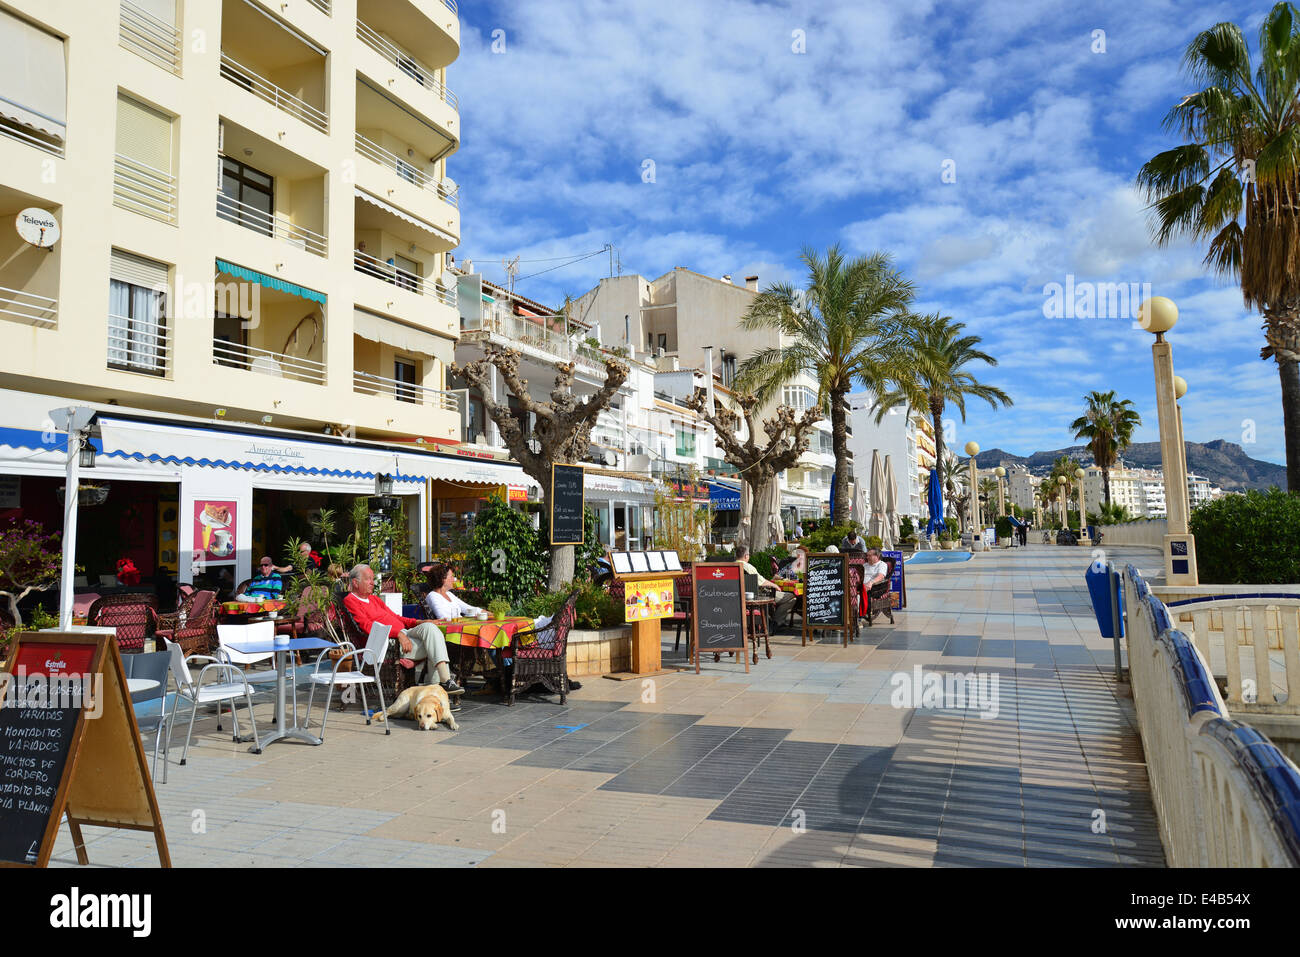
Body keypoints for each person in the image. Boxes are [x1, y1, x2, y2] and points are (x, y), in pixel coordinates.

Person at [343, 563, 464, 699]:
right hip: (387, 643)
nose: (373, 582)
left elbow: (395, 617)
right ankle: (439, 690)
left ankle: (441, 685)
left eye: (373, 578)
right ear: (355, 582)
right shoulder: (350, 601)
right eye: (368, 579)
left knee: (431, 628)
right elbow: (367, 627)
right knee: (435, 645)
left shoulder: (373, 599)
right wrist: (398, 634)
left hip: (403, 634)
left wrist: (419, 622)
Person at [734, 544, 797, 628]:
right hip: (758, 595)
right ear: (746, 556)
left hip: (738, 596)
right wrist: (774, 585)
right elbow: (762, 582)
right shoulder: (748, 567)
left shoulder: (732, 566)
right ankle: (776, 622)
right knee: (792, 597)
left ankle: (772, 619)